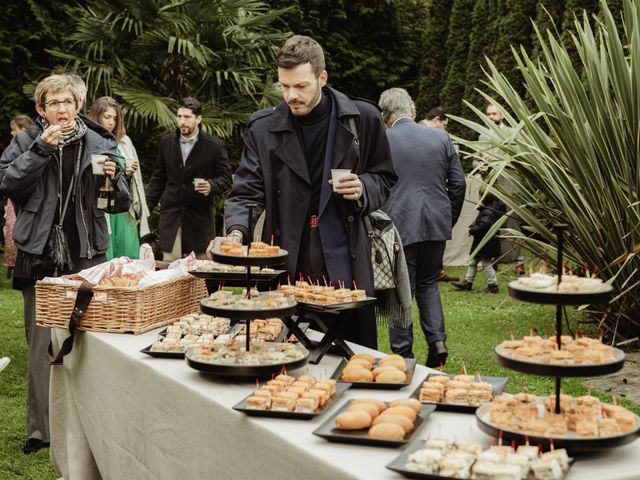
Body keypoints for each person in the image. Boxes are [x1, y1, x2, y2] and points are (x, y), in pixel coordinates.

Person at [209, 35, 397, 349]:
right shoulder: (262, 129)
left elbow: (385, 177)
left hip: (345, 258)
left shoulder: (361, 119)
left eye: (300, 86)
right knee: (282, 354)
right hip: (285, 260)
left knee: (352, 357)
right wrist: (236, 233)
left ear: (322, 78)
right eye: (284, 86)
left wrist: (364, 187)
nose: (291, 95)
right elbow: (245, 192)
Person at [0, 74, 131, 454]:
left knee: (88, 346)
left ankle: (89, 426)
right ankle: (41, 431)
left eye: (68, 102)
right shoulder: (26, 141)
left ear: (77, 106)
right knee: (41, 344)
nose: (62, 110)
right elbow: (9, 184)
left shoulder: (99, 141)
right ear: (40, 109)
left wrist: (116, 180)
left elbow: (116, 205)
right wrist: (40, 149)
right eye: (54, 103)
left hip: (86, 252)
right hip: (39, 253)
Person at [379, 88, 465, 366]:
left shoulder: (383, 140)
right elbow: (459, 184)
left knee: (400, 291)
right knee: (428, 283)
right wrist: (448, 217)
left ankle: (403, 353)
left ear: (384, 116)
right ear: (413, 112)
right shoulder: (441, 136)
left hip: (400, 224)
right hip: (435, 223)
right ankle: (437, 341)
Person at [146, 97, 231, 261]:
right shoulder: (166, 142)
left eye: (187, 117)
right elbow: (158, 179)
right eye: (179, 117)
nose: (182, 121)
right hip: (171, 216)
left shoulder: (214, 145)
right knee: (170, 266)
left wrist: (211, 185)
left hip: (199, 219)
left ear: (198, 119)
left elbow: (226, 178)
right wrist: (146, 208)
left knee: (200, 267)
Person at [89, 96, 150, 259]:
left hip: (123, 208)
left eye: (115, 118)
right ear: (97, 116)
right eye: (107, 117)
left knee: (128, 254)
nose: (111, 122)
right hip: (101, 206)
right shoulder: (89, 141)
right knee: (106, 255)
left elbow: (130, 181)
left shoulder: (124, 142)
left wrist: (129, 173)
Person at [451, 189, 506, 293]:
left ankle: (493, 285)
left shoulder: (488, 211)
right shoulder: (490, 209)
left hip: (485, 244)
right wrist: (471, 226)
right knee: (473, 262)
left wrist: (472, 230)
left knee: (486, 264)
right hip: (483, 244)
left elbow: (484, 226)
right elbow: (480, 221)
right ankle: (468, 282)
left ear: (484, 198)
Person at [4, 116, 33, 275]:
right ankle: (13, 265)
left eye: (15, 129)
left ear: (23, 129)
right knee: (11, 230)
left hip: (24, 197)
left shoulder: (30, 147)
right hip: (13, 194)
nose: (12, 132)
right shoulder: (13, 147)